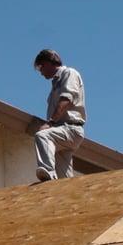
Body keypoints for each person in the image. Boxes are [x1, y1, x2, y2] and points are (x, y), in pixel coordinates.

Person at [33, 49, 86, 182]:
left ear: (48, 63)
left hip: (70, 128)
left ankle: (48, 172)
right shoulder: (56, 83)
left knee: (42, 136)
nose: (40, 71)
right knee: (65, 180)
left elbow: (66, 100)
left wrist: (49, 123)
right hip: (63, 131)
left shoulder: (69, 73)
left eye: (41, 67)